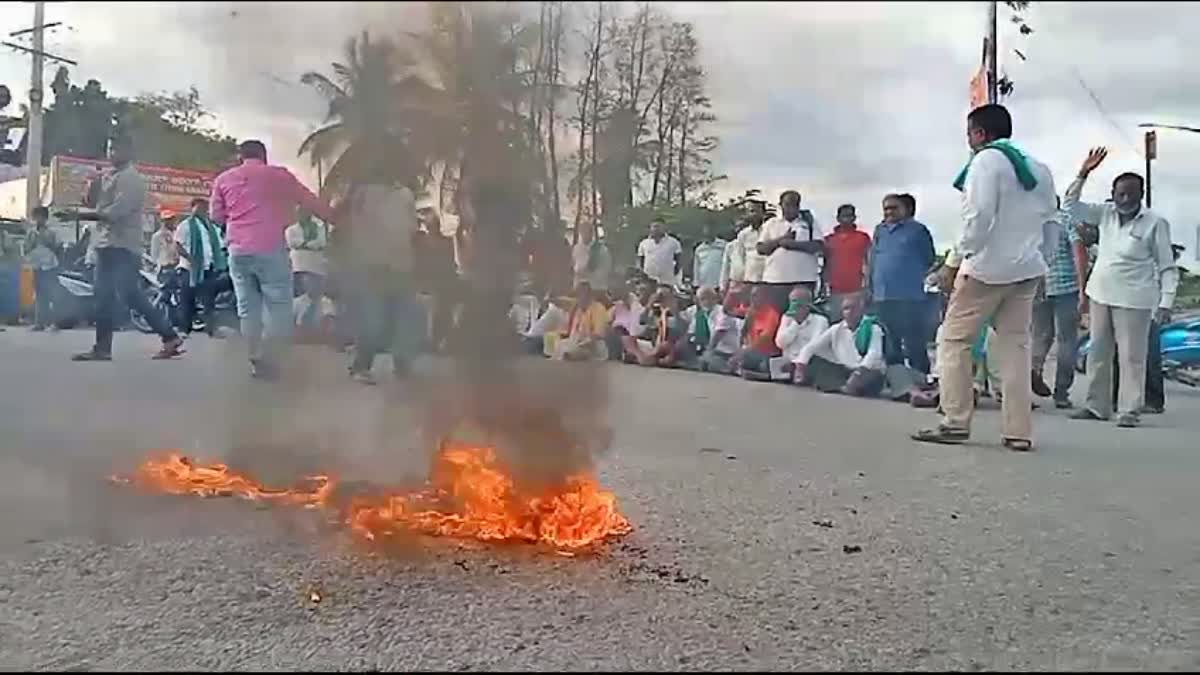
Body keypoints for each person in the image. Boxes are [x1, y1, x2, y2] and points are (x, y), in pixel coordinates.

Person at [912, 104, 1057, 451]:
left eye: (969, 135)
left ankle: (955, 421)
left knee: (954, 341)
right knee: (1015, 348)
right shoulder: (1041, 169)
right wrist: (1043, 263)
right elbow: (1053, 222)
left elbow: (977, 218)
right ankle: (1018, 432)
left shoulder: (985, 162)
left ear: (979, 134)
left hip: (986, 269)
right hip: (1026, 271)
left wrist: (953, 262)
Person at [1065, 148, 1177, 428]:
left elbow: (1167, 266)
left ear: (1141, 195)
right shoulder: (1105, 214)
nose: (1125, 199)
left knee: (1131, 357)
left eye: (1131, 194)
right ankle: (1096, 406)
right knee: (1098, 352)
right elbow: (1070, 205)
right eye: (1120, 194)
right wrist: (1083, 173)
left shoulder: (1155, 223)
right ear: (1113, 194)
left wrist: (1166, 302)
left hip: (1135, 300)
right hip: (1101, 293)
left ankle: (1129, 409)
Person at [209, 139, 335, 379]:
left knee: (247, 306)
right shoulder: (280, 176)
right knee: (278, 305)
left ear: (240, 156)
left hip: (238, 250)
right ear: (264, 156)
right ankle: (271, 356)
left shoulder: (224, 179)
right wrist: (335, 217)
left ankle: (255, 355)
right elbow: (310, 201)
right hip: (270, 247)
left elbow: (216, 216)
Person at [72, 139, 185, 362]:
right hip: (106, 243)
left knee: (129, 294)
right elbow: (93, 203)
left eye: (117, 149)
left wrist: (80, 216)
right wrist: (91, 187)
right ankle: (103, 348)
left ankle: (169, 336)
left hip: (123, 245)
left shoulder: (131, 179)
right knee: (105, 296)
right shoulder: (109, 177)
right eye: (110, 148)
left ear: (129, 152)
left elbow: (115, 213)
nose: (112, 153)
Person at [342, 163, 423, 385]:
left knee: (399, 316)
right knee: (376, 318)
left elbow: (411, 229)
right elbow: (355, 227)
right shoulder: (365, 195)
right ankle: (362, 365)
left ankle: (400, 364)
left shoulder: (402, 195)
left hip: (396, 264)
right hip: (376, 266)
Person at [1111, 242, 1184, 415]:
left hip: (1149, 311)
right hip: (1127, 306)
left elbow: (1168, 282)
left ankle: (1153, 400)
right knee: (1121, 355)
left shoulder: (1161, 264)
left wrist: (1165, 306)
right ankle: (1117, 398)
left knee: (1150, 357)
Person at [869, 193, 936, 374]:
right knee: (890, 340)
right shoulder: (879, 230)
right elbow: (873, 258)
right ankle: (897, 379)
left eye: (894, 208)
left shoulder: (918, 230)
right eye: (886, 208)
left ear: (905, 209)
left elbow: (928, 258)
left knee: (914, 340)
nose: (889, 212)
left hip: (909, 295)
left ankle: (921, 378)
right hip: (883, 294)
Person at [1031, 198, 1088, 408]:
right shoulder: (1067, 220)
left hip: (1038, 286)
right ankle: (1061, 392)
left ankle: (1034, 371)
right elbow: (1078, 254)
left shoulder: (1033, 224)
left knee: (1039, 336)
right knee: (1067, 340)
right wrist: (1083, 290)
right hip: (1066, 288)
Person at [794, 293, 886, 396]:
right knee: (816, 362)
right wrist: (800, 366)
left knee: (871, 379)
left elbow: (874, 354)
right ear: (842, 312)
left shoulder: (873, 328)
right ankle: (846, 387)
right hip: (845, 370)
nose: (850, 312)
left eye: (854, 308)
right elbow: (812, 347)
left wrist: (858, 374)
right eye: (846, 309)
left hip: (866, 371)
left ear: (861, 310)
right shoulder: (836, 329)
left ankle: (847, 386)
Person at [756, 190, 824, 312]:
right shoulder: (771, 224)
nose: (791, 208)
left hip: (803, 280)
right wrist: (780, 240)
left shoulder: (809, 223)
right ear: (781, 205)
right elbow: (761, 249)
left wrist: (793, 245)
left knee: (801, 316)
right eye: (787, 204)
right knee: (776, 316)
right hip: (775, 280)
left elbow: (818, 246)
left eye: (795, 204)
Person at [174, 198, 231, 337]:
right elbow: (178, 245)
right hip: (189, 268)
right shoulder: (186, 225)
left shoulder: (212, 228)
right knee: (187, 299)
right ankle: (183, 329)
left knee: (208, 300)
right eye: (199, 207)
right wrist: (191, 259)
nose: (203, 210)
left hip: (208, 269)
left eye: (205, 207)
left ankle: (211, 328)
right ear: (192, 208)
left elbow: (221, 245)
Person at [285, 209, 329, 335]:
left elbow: (321, 243)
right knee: (303, 293)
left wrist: (304, 244)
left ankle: (312, 326)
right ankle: (299, 325)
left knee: (316, 295)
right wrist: (309, 244)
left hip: (317, 264)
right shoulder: (291, 229)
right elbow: (292, 243)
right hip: (299, 264)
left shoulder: (319, 228)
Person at [823, 204, 871, 318]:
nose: (847, 219)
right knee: (836, 322)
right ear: (838, 218)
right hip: (835, 290)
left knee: (857, 322)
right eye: (844, 216)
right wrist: (824, 287)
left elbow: (870, 262)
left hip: (857, 289)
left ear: (854, 218)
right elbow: (824, 264)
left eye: (850, 216)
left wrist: (868, 286)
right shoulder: (828, 240)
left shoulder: (863, 237)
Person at [730, 285, 783, 380]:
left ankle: (762, 375)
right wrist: (731, 294)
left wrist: (744, 351)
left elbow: (766, 337)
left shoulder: (772, 314)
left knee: (749, 360)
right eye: (751, 295)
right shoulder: (751, 311)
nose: (752, 299)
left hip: (767, 354)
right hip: (751, 353)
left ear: (764, 297)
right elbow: (728, 310)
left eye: (755, 295)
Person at [775, 285, 830, 376]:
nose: (794, 307)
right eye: (792, 303)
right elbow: (780, 343)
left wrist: (799, 363)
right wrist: (796, 324)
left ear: (808, 304)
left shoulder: (820, 321)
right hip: (788, 363)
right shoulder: (786, 318)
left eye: (798, 304)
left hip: (808, 364)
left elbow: (815, 347)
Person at [551, 281, 610, 361]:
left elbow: (598, 335)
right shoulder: (577, 309)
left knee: (569, 353)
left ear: (589, 295)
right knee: (559, 347)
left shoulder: (598, 308)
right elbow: (570, 333)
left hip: (594, 346)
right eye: (578, 295)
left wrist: (582, 342)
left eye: (583, 294)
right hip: (577, 343)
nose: (580, 298)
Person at [23, 206, 60, 331]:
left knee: (52, 294)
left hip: (50, 266)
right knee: (39, 295)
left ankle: (54, 322)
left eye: (40, 217)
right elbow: (26, 248)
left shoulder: (51, 232)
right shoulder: (31, 232)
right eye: (36, 217)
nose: (38, 219)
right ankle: (39, 323)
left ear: (45, 218)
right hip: (37, 266)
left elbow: (56, 247)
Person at [698, 287, 744, 374]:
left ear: (715, 299)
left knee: (706, 359)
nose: (704, 302)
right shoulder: (705, 314)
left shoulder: (722, 311)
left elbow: (718, 334)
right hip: (719, 351)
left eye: (707, 298)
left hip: (731, 351)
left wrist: (708, 351)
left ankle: (732, 367)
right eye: (701, 299)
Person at [721, 211, 766, 292]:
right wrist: (723, 286)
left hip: (761, 279)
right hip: (738, 281)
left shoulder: (766, 231)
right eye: (737, 227)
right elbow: (726, 267)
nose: (738, 229)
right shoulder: (730, 246)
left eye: (741, 226)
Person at [636, 218, 682, 286]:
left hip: (667, 280)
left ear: (664, 227)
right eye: (654, 226)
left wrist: (674, 273)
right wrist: (642, 274)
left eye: (659, 226)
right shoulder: (644, 243)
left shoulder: (674, 242)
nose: (656, 229)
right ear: (650, 228)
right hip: (648, 280)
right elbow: (640, 261)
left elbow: (679, 260)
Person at [571, 222, 613, 294]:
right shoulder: (576, 248)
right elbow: (573, 264)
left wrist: (589, 274)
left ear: (592, 233)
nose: (584, 234)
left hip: (596, 288)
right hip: (580, 288)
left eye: (587, 232)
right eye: (582, 232)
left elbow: (606, 268)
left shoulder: (600, 249)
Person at [692, 224, 727, 291]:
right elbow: (696, 268)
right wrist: (696, 284)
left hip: (719, 283)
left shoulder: (724, 245)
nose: (708, 234)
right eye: (706, 233)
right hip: (704, 284)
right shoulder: (699, 249)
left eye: (710, 232)